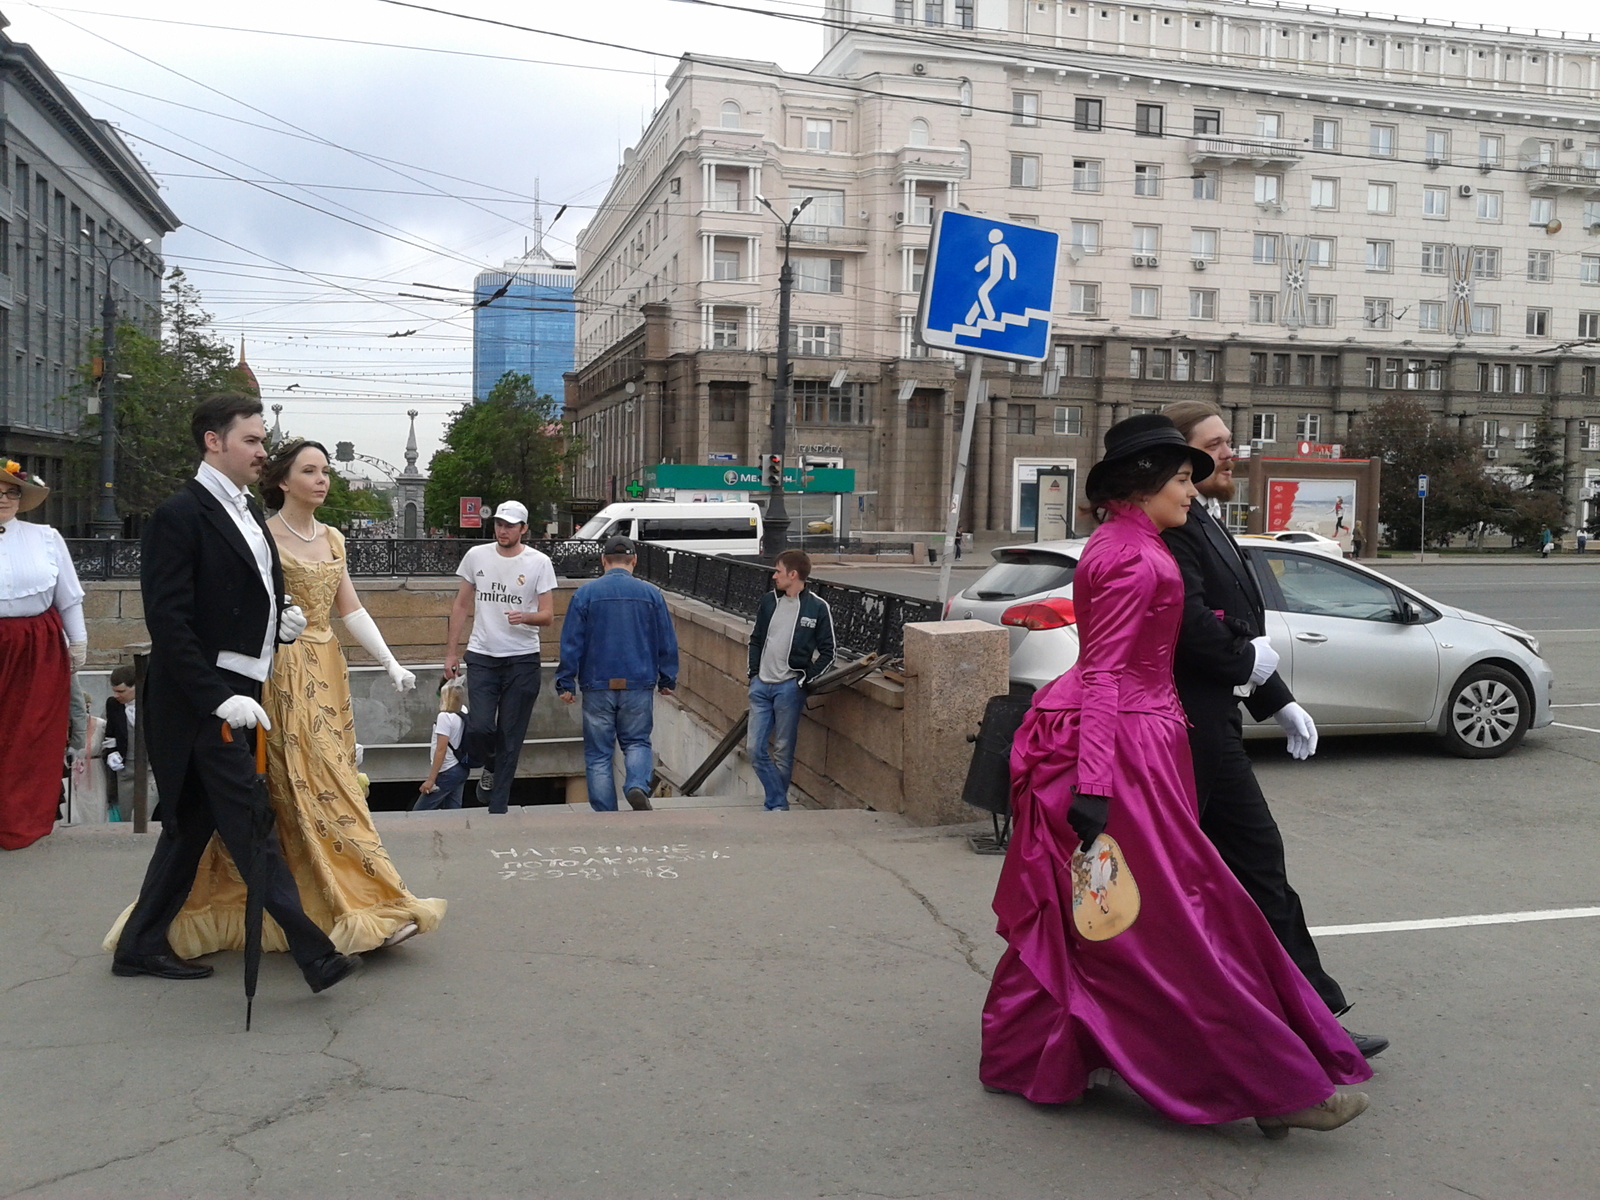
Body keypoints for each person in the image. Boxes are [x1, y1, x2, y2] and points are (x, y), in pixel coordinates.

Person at [981, 414, 1371, 1136]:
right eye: (1183, 479)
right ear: (1142, 483)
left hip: (1145, 747)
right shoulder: (1127, 555)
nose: (1192, 492)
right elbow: (1102, 674)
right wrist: (1096, 784)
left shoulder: (1136, 543)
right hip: (1125, 754)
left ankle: (1044, 1050)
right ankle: (1272, 1080)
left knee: (1120, 921)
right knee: (1177, 923)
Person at [108, 437, 445, 957]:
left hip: (327, 671)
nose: (322, 479)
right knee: (306, 785)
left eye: (326, 471)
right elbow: (233, 607)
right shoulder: (260, 536)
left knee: (332, 780)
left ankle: (356, 901)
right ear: (283, 481)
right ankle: (350, 905)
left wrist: (392, 663)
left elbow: (349, 608)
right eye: (310, 470)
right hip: (281, 671)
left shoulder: (334, 537)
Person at [107, 396, 360, 993]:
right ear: (213, 442)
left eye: (262, 441)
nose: (262, 451)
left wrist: (283, 621)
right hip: (205, 702)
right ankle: (315, 956)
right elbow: (170, 624)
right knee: (251, 822)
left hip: (245, 690)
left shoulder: (246, 510)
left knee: (190, 826)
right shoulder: (180, 515)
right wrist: (218, 698)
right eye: (251, 440)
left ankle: (140, 944)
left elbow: (252, 595)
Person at [1162, 400, 1387, 1059]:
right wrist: (1246, 665)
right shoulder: (1174, 527)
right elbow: (1194, 623)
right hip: (1189, 730)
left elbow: (1237, 620)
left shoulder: (1202, 517)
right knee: (1229, 875)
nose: (1232, 452)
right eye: (1218, 443)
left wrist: (1277, 697)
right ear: (1182, 457)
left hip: (1212, 722)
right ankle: (1294, 1026)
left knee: (1243, 875)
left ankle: (1304, 1018)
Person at [443, 501, 556, 813]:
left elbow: (547, 616)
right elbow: (461, 606)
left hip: (522, 659)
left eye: (510, 525)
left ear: (523, 529)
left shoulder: (539, 562)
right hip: (482, 656)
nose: (503, 530)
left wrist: (526, 617)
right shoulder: (476, 556)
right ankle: (488, 761)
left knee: (511, 736)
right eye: (498, 524)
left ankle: (498, 808)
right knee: (480, 727)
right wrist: (451, 652)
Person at [555, 535, 678, 812]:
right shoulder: (651, 594)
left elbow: (571, 642)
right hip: (638, 681)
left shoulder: (585, 594)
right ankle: (635, 783)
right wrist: (667, 679)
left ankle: (606, 813)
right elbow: (666, 642)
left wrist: (565, 683)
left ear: (603, 561)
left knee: (599, 754)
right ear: (634, 560)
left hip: (597, 683)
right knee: (636, 742)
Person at [0, 459, 86, 850]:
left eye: (11, 492)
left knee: (31, 733)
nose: (4, 500)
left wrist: (78, 642)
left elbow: (68, 596)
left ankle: (21, 819)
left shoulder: (46, 537)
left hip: (38, 646)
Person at [746, 550, 835, 812]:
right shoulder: (768, 602)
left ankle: (775, 806)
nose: (774, 576)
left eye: (779, 571)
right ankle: (779, 802)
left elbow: (829, 652)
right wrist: (753, 674)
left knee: (784, 750)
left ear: (793, 575)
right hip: (762, 684)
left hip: (789, 687)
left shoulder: (817, 607)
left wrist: (804, 680)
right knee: (754, 749)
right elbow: (756, 639)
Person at [417, 679, 470, 811]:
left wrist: (431, 780)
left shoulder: (444, 717)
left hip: (447, 771)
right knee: (453, 810)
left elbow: (441, 749)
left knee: (419, 812)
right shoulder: (462, 710)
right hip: (460, 767)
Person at [103, 665, 144, 822]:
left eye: (121, 691)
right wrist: (112, 752)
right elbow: (110, 734)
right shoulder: (113, 705)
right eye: (114, 691)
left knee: (142, 816)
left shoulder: (152, 703)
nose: (116, 695)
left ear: (136, 687)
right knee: (126, 816)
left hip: (150, 770)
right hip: (125, 769)